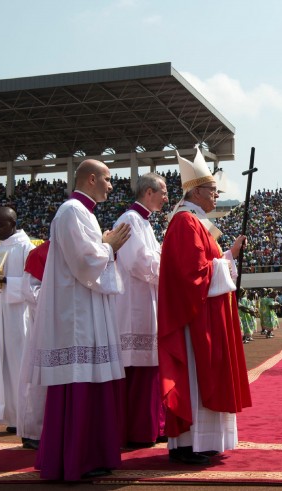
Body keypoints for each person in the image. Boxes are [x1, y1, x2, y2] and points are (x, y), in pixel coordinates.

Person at [24, 159, 131, 481]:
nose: (112, 186)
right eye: (108, 179)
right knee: (79, 383)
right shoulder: (71, 211)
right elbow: (84, 261)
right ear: (92, 178)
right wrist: (108, 246)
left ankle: (88, 455)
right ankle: (75, 459)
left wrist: (105, 246)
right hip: (75, 316)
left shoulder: (83, 213)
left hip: (85, 308)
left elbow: (89, 258)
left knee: (92, 382)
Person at [158, 149, 251, 465]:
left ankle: (202, 442)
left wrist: (229, 256)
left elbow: (205, 265)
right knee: (196, 381)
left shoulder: (194, 221)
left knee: (203, 381)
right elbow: (193, 275)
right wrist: (224, 265)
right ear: (196, 191)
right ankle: (189, 444)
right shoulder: (186, 222)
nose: (217, 194)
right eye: (213, 190)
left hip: (204, 316)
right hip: (195, 321)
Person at [113, 173, 169, 447]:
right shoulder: (129, 220)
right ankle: (137, 430)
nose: (166, 197)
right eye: (164, 192)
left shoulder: (144, 222)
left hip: (147, 302)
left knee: (150, 369)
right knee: (136, 370)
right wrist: (170, 269)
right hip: (133, 306)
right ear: (149, 192)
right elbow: (138, 262)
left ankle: (153, 425)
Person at [0, 206, 35, 434]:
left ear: (12, 223)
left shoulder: (26, 247)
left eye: (0, 225)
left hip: (18, 314)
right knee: (2, 365)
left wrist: (6, 281)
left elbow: (31, 282)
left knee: (19, 365)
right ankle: (10, 416)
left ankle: (25, 416)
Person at [17, 239, 51, 450]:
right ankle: (33, 431)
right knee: (38, 382)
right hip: (44, 327)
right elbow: (31, 291)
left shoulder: (80, 250)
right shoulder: (40, 253)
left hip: (71, 328)